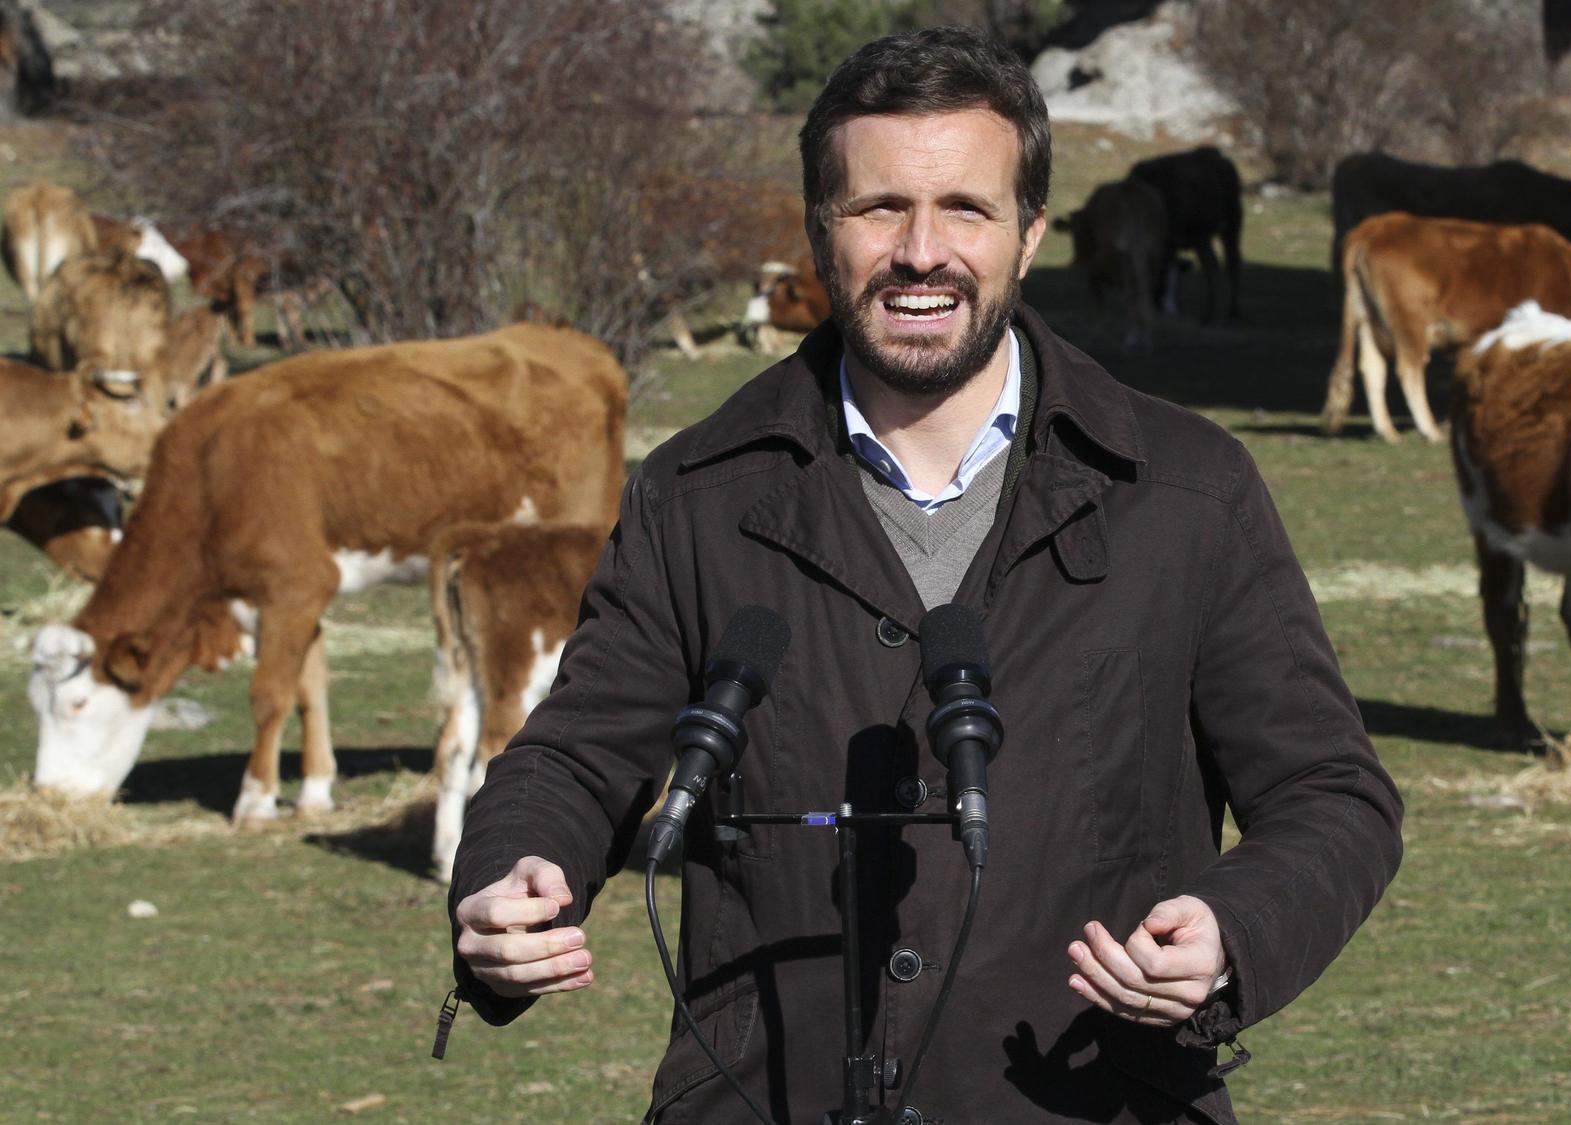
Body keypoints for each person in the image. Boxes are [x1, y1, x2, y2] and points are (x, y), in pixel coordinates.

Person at [447, 27, 1402, 1124]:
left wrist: (1234, 932)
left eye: (965, 208)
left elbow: (1331, 796)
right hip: (770, 1099)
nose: (919, 251)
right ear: (820, 230)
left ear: (1030, 234)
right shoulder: (695, 494)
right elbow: (576, 755)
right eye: (877, 208)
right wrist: (511, 871)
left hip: (1091, 1098)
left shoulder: (1188, 491)